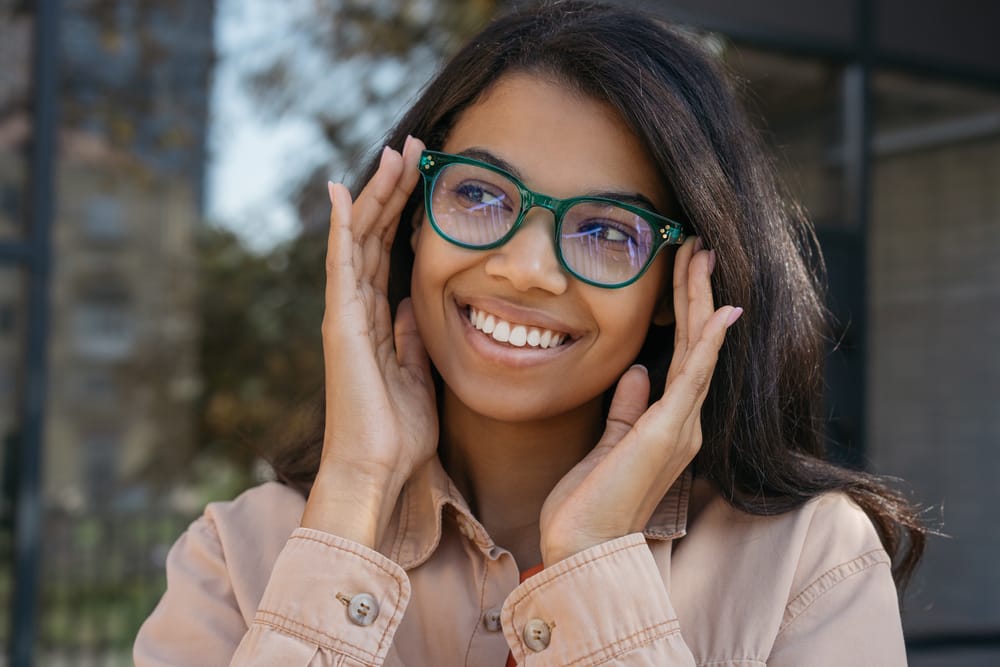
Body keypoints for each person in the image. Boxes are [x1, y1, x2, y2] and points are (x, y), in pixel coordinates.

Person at [134, 1, 926, 665]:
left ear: (675, 288)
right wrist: (352, 496)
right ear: (409, 218)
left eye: (609, 232)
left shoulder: (807, 563)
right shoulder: (237, 557)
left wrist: (592, 561)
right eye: (479, 193)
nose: (525, 269)